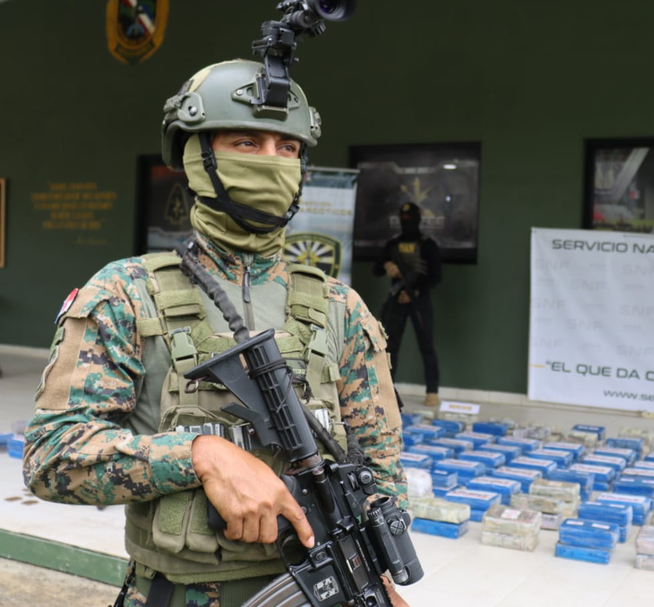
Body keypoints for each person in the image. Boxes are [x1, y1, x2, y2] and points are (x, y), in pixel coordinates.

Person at [23, 59, 410, 607]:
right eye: (247, 143)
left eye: (288, 148)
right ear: (196, 158)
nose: (272, 162)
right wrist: (201, 455)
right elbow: (51, 457)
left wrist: (379, 579)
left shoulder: (341, 308)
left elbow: (380, 474)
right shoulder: (126, 294)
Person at [373, 202, 442, 406]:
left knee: (426, 345)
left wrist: (416, 291)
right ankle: (387, 391)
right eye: (403, 219)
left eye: (410, 218)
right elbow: (376, 269)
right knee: (389, 347)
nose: (407, 223)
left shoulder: (428, 245)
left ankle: (432, 391)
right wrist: (387, 265)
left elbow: (436, 276)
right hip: (396, 300)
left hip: (419, 300)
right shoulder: (393, 245)